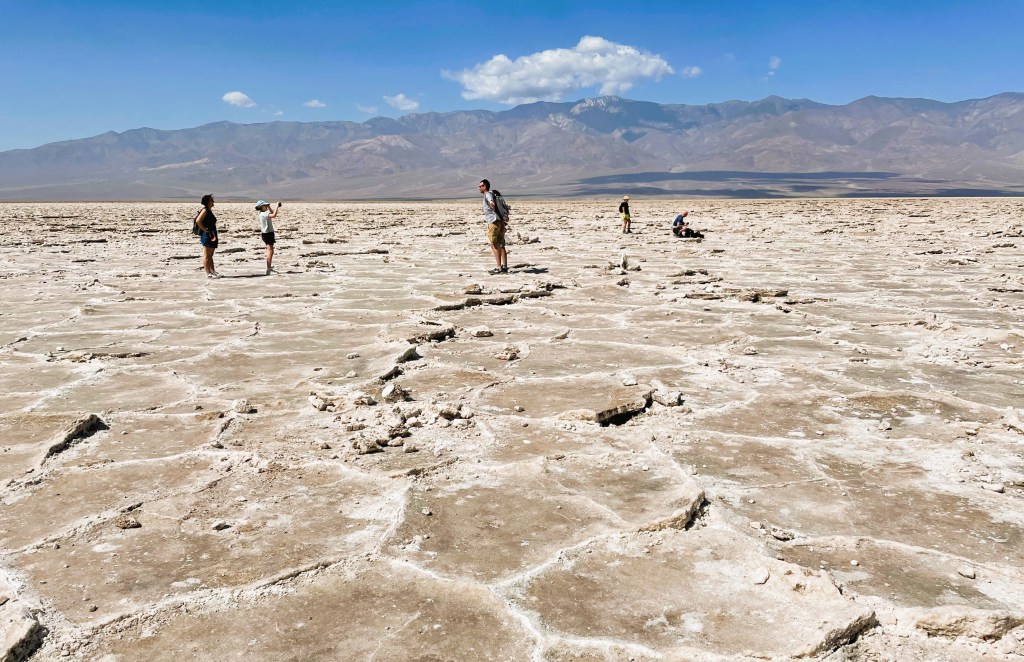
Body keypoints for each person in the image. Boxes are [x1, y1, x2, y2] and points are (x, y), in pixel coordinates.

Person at [478, 179, 507, 274]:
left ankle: (498, 268)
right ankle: (503, 267)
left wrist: (491, 203)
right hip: (498, 222)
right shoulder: (492, 194)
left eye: (480, 186)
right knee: (499, 244)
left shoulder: (488, 194)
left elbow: (491, 201)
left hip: (493, 222)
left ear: (485, 186)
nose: (479, 188)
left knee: (494, 245)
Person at [195, 194, 220, 277]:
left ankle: (213, 271)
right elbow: (198, 221)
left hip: (212, 234)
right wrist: (205, 230)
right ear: (208, 202)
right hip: (207, 234)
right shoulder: (205, 210)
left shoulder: (209, 210)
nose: (213, 202)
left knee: (210, 255)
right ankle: (208, 273)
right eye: (211, 200)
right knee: (206, 255)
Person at [255, 200, 282, 275]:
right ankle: (268, 269)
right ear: (261, 207)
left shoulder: (264, 213)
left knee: (271, 251)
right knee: (270, 251)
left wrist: (269, 206)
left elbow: (272, 212)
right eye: (265, 205)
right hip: (267, 234)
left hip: (268, 233)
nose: (266, 206)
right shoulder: (263, 214)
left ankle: (269, 268)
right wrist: (277, 206)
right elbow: (274, 215)